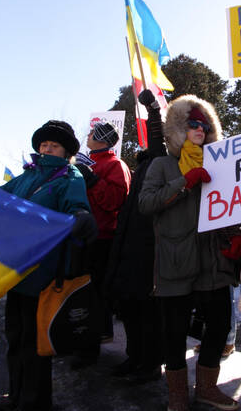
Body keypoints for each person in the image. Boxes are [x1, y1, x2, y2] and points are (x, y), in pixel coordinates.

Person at [139, 94, 241, 411]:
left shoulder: (220, 164)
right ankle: (178, 395)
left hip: (213, 263)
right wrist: (184, 182)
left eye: (204, 124)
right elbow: (146, 204)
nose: (199, 129)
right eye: (191, 124)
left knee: (220, 327)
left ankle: (208, 389)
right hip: (175, 264)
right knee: (174, 334)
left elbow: (236, 204)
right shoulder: (162, 164)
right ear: (177, 129)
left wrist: (234, 236)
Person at [0, 120, 97, 411]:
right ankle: (15, 395)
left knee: (34, 342)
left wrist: (80, 216)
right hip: (17, 269)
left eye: (54, 146)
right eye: (44, 145)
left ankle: (35, 402)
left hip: (44, 272)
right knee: (14, 337)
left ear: (66, 152)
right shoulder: (26, 176)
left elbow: (78, 206)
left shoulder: (69, 176)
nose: (47, 149)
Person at [104, 89, 165, 382]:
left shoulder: (161, 160)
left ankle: (150, 363)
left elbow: (157, 141)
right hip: (128, 243)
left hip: (148, 247)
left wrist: (153, 110)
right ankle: (134, 356)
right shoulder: (141, 166)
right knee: (129, 307)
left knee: (146, 311)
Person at [72, 120, 131, 368]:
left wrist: (93, 181)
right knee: (83, 294)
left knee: (93, 295)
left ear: (102, 139)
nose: (87, 135)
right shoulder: (88, 162)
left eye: (92, 133)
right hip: (82, 237)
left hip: (102, 239)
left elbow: (116, 200)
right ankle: (90, 338)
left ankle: (90, 350)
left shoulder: (115, 164)